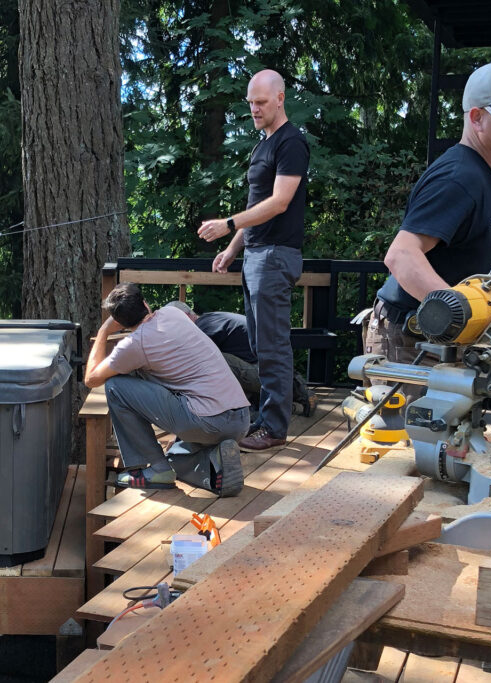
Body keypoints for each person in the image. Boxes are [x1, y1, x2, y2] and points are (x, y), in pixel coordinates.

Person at [366, 61, 491, 368]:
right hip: (411, 340)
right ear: (477, 118)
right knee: (405, 419)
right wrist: (459, 313)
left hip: (446, 340)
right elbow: (401, 255)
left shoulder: (487, 175)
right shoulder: (459, 177)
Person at [198, 69, 309, 451]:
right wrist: (232, 249)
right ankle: (265, 420)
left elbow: (279, 203)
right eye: (250, 103)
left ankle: (276, 429)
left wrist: (228, 225)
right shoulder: (262, 145)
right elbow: (256, 206)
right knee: (260, 345)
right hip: (256, 256)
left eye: (261, 102)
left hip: (277, 257)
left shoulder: (291, 143)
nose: (254, 109)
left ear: (280, 98)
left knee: (274, 345)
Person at [84, 283, 251, 491]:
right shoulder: (173, 313)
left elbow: (91, 379)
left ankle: (157, 469)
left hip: (209, 423)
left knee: (115, 385)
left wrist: (103, 330)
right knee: (176, 457)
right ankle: (214, 462)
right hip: (242, 419)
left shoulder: (135, 344)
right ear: (145, 303)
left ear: (119, 322)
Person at [163, 301, 316, 417]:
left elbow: (197, 365)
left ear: (185, 316)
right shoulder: (212, 318)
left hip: (267, 374)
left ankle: (291, 389)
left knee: (213, 360)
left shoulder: (202, 327)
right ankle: (276, 400)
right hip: (272, 369)